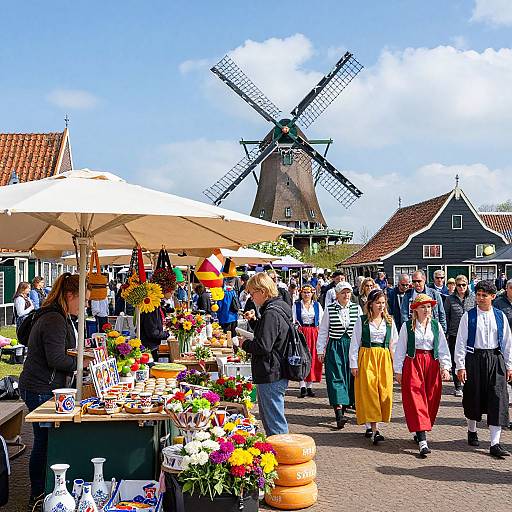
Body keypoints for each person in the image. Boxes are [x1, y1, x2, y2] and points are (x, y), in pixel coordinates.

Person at [19, 273, 91, 507]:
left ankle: (44, 490)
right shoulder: (54, 320)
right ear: (70, 296)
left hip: (46, 385)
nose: (86, 305)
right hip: (41, 387)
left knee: (46, 440)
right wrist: (83, 363)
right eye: (84, 300)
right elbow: (57, 359)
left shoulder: (61, 316)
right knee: (44, 441)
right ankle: (39, 493)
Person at [455, 280, 512, 458]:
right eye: (478, 295)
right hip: (474, 359)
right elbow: (460, 342)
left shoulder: (500, 316)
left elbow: (507, 343)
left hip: (495, 359)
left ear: (493, 297)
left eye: (484, 295)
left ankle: (495, 443)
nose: (480, 298)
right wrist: (460, 366)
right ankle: (472, 430)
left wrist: (509, 365)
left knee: (498, 398)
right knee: (473, 396)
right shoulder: (469, 316)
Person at [394, 294, 451, 456]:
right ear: (416, 309)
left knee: (431, 399)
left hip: (431, 364)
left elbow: (442, 347)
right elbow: (400, 349)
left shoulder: (435, 325)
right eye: (423, 307)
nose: (426, 310)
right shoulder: (407, 326)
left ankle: (421, 429)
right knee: (416, 399)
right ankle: (422, 440)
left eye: (428, 307)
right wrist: (398, 370)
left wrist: (445, 367)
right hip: (413, 363)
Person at [242, 272, 292, 436]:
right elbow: (271, 336)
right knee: (273, 419)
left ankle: (282, 457)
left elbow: (263, 345)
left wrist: (244, 344)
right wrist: (255, 322)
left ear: (262, 291)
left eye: (252, 293)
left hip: (271, 371)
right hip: (275, 369)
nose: (251, 297)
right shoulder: (279, 306)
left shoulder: (271, 312)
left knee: (274, 423)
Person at [349, 289, 398, 445]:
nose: (381, 306)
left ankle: (371, 424)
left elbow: (394, 345)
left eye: (383, 303)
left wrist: (397, 367)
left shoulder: (389, 321)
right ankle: (375, 430)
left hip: (383, 358)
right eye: (378, 303)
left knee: (383, 392)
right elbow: (355, 343)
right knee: (370, 392)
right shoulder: (362, 321)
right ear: (370, 304)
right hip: (367, 356)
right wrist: (353, 364)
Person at [317, 282, 362, 429]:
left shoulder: (357, 308)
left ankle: (345, 406)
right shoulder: (329, 310)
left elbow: (362, 330)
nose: (346, 295)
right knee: (336, 377)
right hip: (335, 346)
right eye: (343, 292)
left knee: (350, 377)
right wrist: (320, 350)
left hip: (352, 345)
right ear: (336, 294)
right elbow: (323, 331)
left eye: (348, 292)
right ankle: (338, 414)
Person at [444, 275, 475, 396]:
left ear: (467, 285)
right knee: (455, 359)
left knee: (469, 360)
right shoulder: (449, 299)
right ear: (455, 286)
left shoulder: (473, 298)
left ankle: (468, 384)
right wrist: (446, 332)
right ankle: (458, 386)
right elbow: (446, 316)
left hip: (470, 334)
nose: (461, 287)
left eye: (464, 284)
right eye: (459, 285)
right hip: (454, 334)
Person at [292, 284, 324, 398]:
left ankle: (310, 385)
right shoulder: (296, 305)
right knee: (302, 358)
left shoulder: (317, 305)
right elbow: (294, 319)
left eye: (308, 292)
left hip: (314, 332)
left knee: (313, 358)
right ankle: (302, 386)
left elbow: (321, 320)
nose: (306, 295)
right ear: (301, 293)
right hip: (302, 332)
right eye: (304, 292)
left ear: (312, 293)